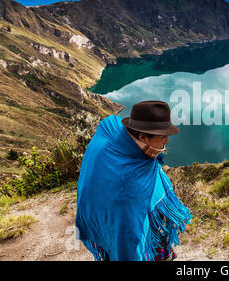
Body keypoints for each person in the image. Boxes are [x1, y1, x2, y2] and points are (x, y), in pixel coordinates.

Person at [75, 100, 192, 261]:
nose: (167, 141)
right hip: (116, 224)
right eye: (163, 137)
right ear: (143, 137)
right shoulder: (128, 180)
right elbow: (130, 232)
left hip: (108, 219)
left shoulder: (123, 137)